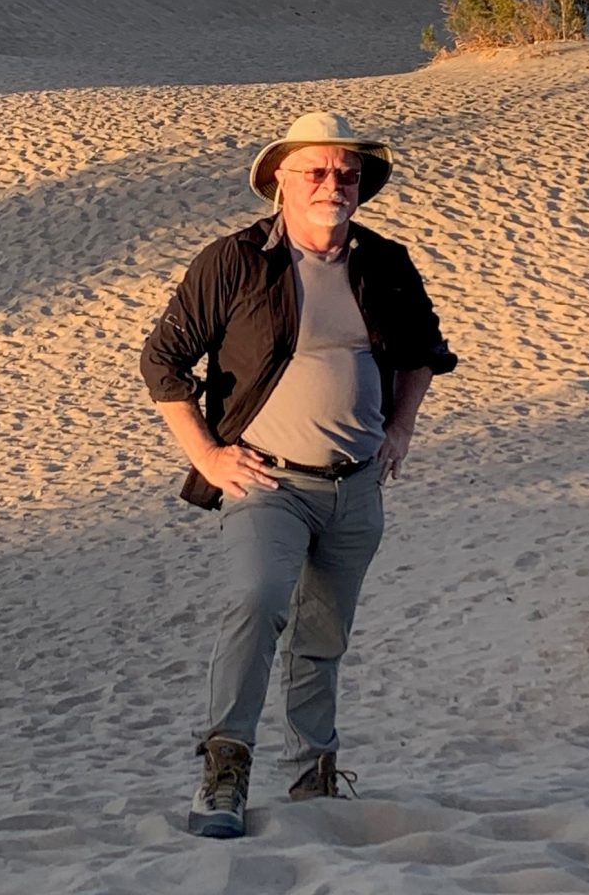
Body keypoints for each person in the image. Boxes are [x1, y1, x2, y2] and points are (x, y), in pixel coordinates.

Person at [140, 111, 457, 839]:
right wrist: (208, 456)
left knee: (324, 634)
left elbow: (422, 353)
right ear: (278, 180)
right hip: (266, 485)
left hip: (356, 487)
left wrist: (401, 429)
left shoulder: (385, 262)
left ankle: (312, 776)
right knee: (255, 604)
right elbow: (162, 361)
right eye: (314, 171)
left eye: (345, 174)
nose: (331, 184)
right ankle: (224, 769)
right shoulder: (234, 261)